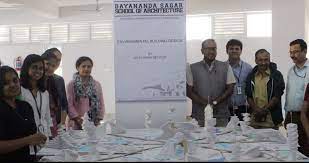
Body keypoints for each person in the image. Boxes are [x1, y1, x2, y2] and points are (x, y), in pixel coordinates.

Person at [0, 66, 47, 162]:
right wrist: (29, 140)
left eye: (15, 80)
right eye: (6, 83)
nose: (13, 85)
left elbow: (32, 135)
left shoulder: (25, 106)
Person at [187, 39, 236, 127]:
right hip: (199, 117)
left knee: (222, 140)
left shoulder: (226, 66)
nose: (211, 52)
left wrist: (215, 102)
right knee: (200, 140)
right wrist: (205, 103)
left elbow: (230, 88)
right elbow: (189, 91)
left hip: (221, 116)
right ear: (202, 51)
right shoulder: (192, 68)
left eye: (214, 49)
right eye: (208, 49)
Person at [245, 49, 285, 129]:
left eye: (266, 60)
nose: (263, 63)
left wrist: (263, 111)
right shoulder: (251, 76)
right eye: (260, 60)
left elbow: (277, 96)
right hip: (255, 117)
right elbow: (248, 96)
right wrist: (256, 110)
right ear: (256, 60)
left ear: (269, 60)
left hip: (272, 118)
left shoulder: (277, 75)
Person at [284, 39, 309, 156]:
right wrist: (287, 115)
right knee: (293, 151)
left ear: (305, 51)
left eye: (296, 52)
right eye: (290, 52)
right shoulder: (290, 71)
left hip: (305, 117)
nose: (292, 55)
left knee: (305, 150)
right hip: (291, 117)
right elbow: (289, 94)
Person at [67, 56, 105, 130]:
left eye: (89, 67)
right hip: (75, 123)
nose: (86, 69)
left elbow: (101, 103)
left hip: (94, 123)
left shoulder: (97, 84)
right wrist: (77, 118)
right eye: (83, 66)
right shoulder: (71, 84)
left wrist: (99, 118)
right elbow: (69, 104)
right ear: (78, 68)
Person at [20, 54, 53, 139]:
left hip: (44, 134)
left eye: (41, 68)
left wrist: (49, 135)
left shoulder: (44, 92)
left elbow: (47, 116)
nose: (38, 71)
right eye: (34, 67)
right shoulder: (20, 90)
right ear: (27, 68)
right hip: (27, 136)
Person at [226, 39, 252, 120]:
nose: (234, 51)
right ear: (227, 51)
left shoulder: (248, 68)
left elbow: (251, 88)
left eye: (237, 49)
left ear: (241, 51)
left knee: (243, 131)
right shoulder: (222, 67)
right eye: (231, 48)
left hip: (244, 108)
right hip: (227, 108)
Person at [41, 51, 65, 138]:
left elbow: (63, 103)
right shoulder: (34, 83)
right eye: (47, 64)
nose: (50, 68)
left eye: (53, 66)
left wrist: (62, 124)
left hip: (52, 123)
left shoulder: (56, 81)